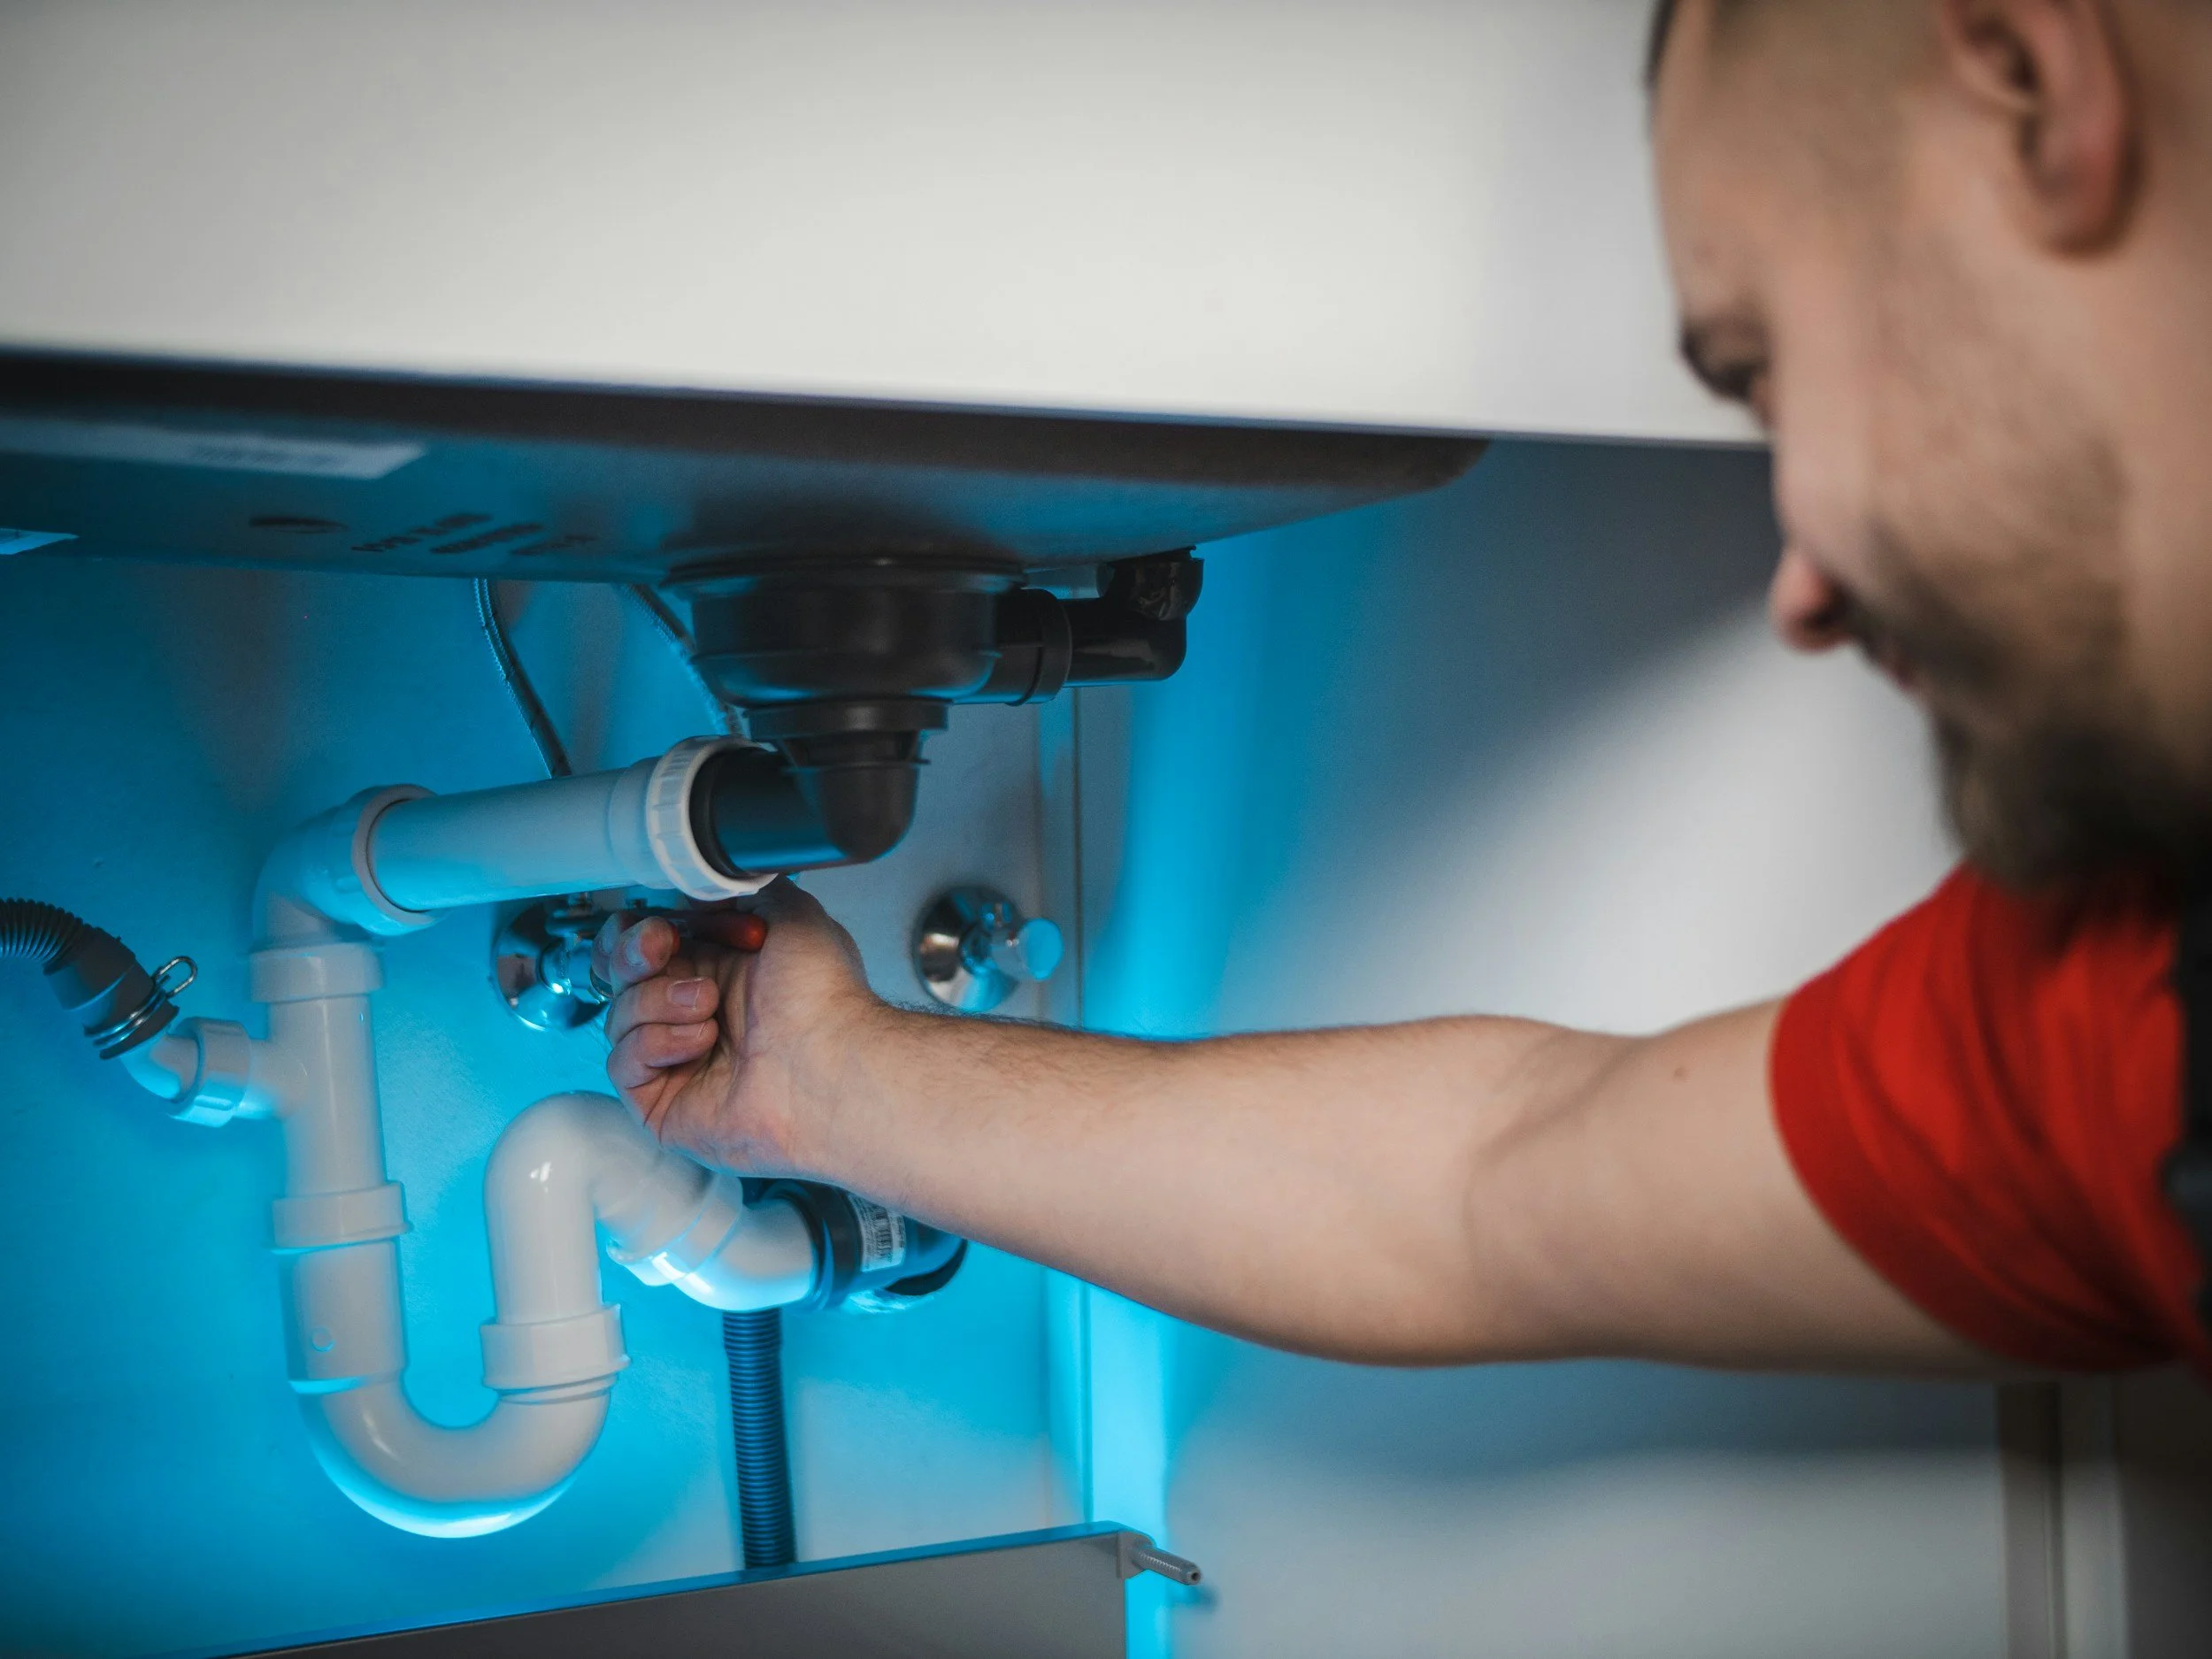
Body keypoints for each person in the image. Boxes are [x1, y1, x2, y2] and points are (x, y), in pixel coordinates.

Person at [595, 0, 2212, 1379]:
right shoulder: (2120, 1025)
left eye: (1775, 360)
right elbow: (1487, 1189)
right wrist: (833, 1081)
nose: (1806, 588)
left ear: (2021, 78)